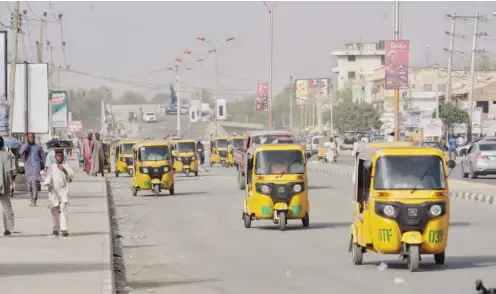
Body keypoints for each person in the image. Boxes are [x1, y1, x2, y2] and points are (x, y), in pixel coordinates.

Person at [43, 149, 74, 237]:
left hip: (63, 191)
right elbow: (48, 178)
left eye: (61, 156)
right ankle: (55, 229)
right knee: (54, 211)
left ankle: (64, 229)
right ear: (55, 157)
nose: (59, 157)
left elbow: (70, 178)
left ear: (63, 157)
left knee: (63, 209)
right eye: (58, 156)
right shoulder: (52, 167)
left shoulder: (66, 166)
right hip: (53, 192)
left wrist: (64, 170)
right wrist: (48, 184)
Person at [19, 133, 45, 206]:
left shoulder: (38, 147)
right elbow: (20, 152)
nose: (31, 139)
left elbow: (43, 157)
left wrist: (45, 167)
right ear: (27, 138)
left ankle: (34, 199)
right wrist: (26, 146)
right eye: (30, 137)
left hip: (36, 168)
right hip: (28, 168)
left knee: (34, 183)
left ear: (34, 138)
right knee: (29, 185)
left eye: (32, 137)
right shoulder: (25, 146)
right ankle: (32, 198)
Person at [0, 137, 15, 236]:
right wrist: (11, 184)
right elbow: (9, 171)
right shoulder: (7, 155)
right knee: (6, 207)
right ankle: (7, 229)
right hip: (3, 185)